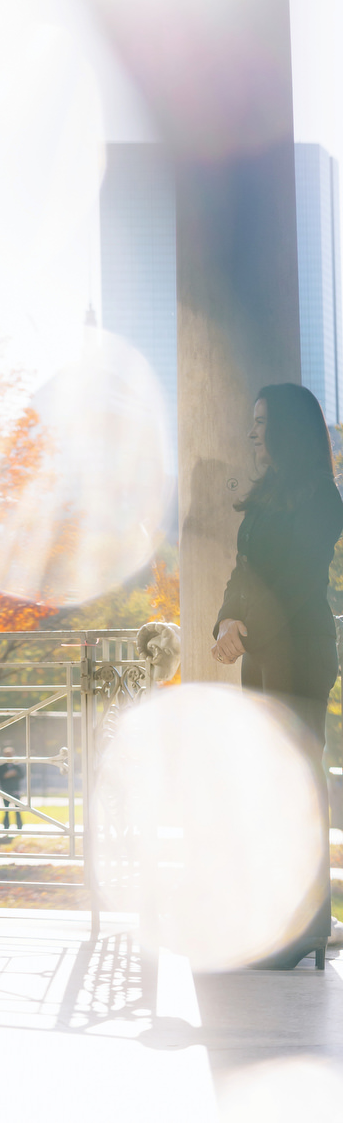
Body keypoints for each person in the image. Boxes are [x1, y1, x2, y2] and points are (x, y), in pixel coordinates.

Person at [212, 383, 343, 970]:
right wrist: (225, 620)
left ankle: (307, 926)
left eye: (262, 421)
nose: (253, 431)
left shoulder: (323, 498)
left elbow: (293, 581)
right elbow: (245, 570)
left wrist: (247, 625)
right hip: (263, 652)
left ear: (288, 428)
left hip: (300, 652)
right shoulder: (263, 497)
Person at [0, 756, 23, 833]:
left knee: (18, 810)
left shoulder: (17, 766)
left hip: (15, 790)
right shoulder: (1, 767)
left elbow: (22, 775)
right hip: (5, 790)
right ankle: (6, 827)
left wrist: (14, 773)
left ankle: (19, 827)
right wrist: (5, 775)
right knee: (6, 810)